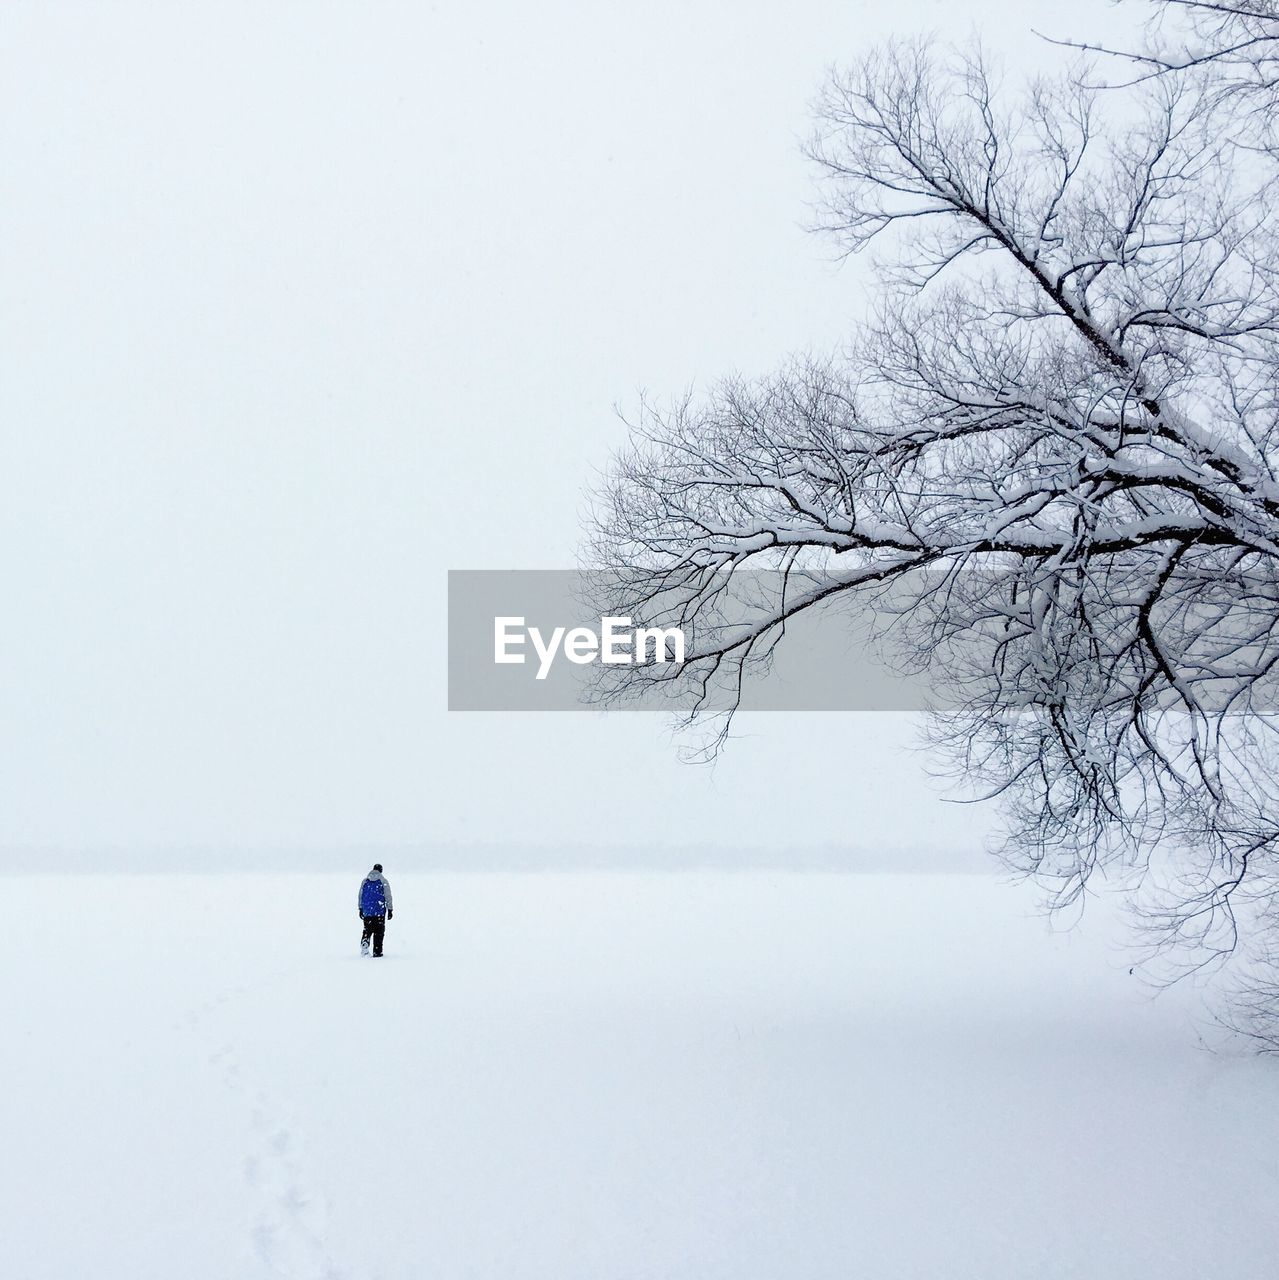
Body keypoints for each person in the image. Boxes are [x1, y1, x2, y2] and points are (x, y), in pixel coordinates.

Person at [358, 863, 394, 957]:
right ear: (381, 870)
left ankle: (365, 941)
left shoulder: (365, 881)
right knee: (379, 933)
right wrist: (390, 909)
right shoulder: (383, 881)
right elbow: (388, 896)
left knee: (367, 929)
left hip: (367, 911)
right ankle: (377, 952)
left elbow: (361, 895)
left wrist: (360, 908)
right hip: (379, 911)